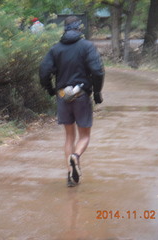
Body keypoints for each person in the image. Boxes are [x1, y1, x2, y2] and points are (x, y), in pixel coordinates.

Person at [39, 16, 105, 187]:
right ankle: (75, 157)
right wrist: (97, 92)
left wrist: (50, 89)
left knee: (69, 136)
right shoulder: (86, 46)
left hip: (62, 96)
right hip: (81, 95)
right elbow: (97, 71)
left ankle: (70, 175)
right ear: (79, 28)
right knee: (84, 136)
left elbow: (44, 72)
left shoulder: (55, 49)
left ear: (65, 29)